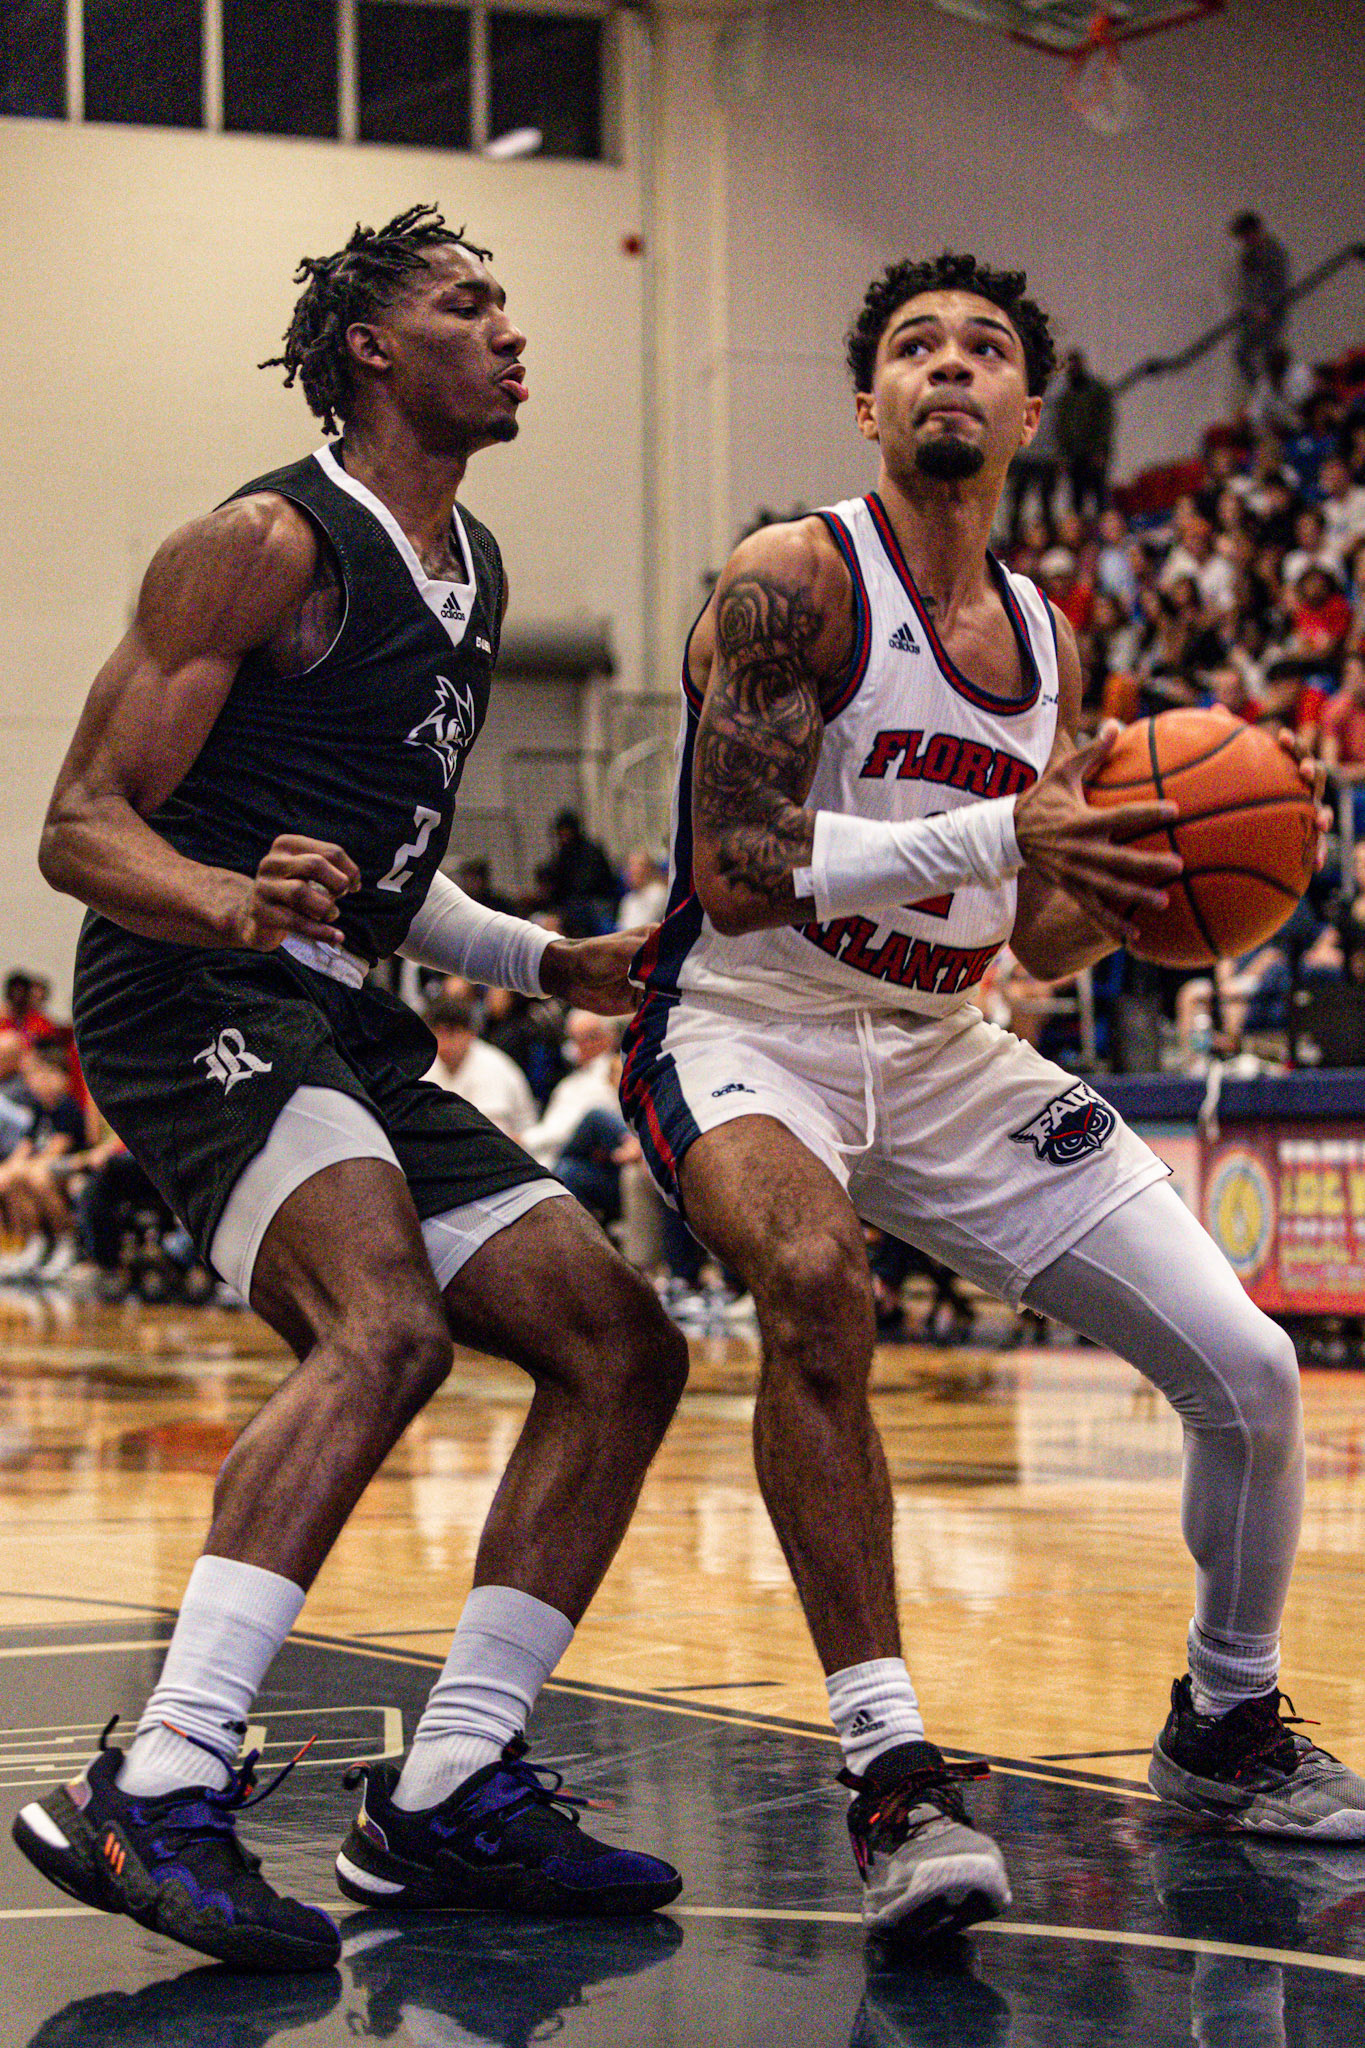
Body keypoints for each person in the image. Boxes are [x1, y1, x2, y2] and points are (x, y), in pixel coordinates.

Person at [621, 248, 1361, 1950]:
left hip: (948, 1044)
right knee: (819, 1279)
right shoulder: (794, 578)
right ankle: (893, 1775)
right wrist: (1000, 832)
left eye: (982, 348)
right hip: (754, 1021)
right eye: (912, 346)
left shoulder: (1047, 637)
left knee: (1251, 1370)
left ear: (1032, 411)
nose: (947, 365)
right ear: (866, 403)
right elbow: (736, 868)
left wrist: (1173, 872)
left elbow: (1028, 931)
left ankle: (1225, 1723)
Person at [14, 205, 688, 1972]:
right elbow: (78, 825)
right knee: (382, 1330)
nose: (512, 330)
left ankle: (451, 1782)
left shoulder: (474, 568)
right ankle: (157, 1779)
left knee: (622, 1341)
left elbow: (388, 880)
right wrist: (227, 896)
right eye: (472, 304)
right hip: (186, 985)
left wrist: (544, 960)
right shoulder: (260, 543)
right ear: (376, 348)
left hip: (339, 1011)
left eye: (509, 302)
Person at [424, 990, 536, 1140]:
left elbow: (490, 1137)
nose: (443, 1044)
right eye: (437, 1034)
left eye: (451, 1034)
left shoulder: (492, 1067)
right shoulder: (429, 1064)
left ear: (471, 1034)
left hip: (507, 1146)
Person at [1228, 212, 1290, 391]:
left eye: (1245, 235)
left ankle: (1274, 390)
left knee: (1268, 354)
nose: (1244, 240)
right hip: (1255, 314)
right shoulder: (1248, 255)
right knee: (1243, 353)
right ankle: (1262, 390)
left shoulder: (1273, 252)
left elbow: (1279, 284)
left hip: (1271, 313)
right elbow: (1248, 286)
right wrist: (1248, 308)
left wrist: (1268, 308)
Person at [1054, 349, 1114, 524]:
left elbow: (1105, 422)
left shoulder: (1097, 390)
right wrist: (1063, 455)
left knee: (1101, 498)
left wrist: (1100, 450)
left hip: (1093, 454)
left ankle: (1106, 531)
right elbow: (1061, 427)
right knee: (1076, 501)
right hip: (1074, 456)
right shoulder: (1066, 396)